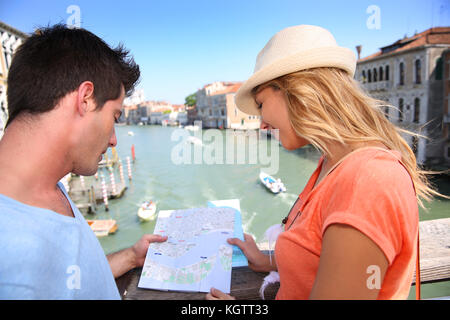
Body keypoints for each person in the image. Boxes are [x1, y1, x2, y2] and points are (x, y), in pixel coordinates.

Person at [206, 25, 443, 300]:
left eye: (260, 104)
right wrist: (268, 260)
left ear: (295, 90)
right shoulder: (334, 163)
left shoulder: (367, 181)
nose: (261, 123)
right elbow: (321, 255)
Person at [0, 24, 167, 299]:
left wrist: (130, 257)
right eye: (114, 117)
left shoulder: (45, 185)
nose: (114, 140)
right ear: (85, 99)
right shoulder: (14, 262)